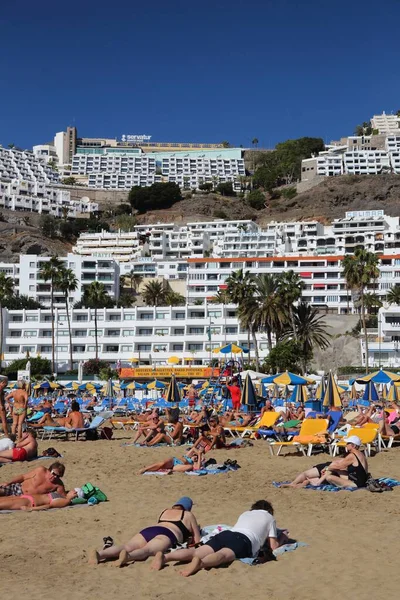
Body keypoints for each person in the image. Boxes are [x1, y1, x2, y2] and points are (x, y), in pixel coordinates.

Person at [151, 499, 288, 576]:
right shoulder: (270, 518)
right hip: (244, 540)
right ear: (269, 511)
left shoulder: (245, 513)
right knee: (223, 555)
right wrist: (283, 538)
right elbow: (273, 546)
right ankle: (201, 563)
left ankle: (165, 557)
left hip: (227, 533)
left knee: (196, 552)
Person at [88, 497, 201, 567]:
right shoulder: (188, 514)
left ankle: (100, 554)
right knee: (146, 550)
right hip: (167, 534)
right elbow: (197, 539)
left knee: (127, 546)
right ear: (188, 508)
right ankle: (128, 557)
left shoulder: (164, 511)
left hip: (149, 530)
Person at [282, 435, 369, 488]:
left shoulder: (352, 455)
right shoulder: (359, 454)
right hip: (359, 479)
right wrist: (331, 465)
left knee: (329, 477)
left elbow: (340, 466)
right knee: (334, 465)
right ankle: (316, 482)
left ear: (353, 445)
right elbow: (342, 463)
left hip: (356, 483)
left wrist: (327, 468)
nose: (346, 445)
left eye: (348, 443)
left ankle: (316, 483)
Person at [0, 461, 66, 497]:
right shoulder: (41, 470)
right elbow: (23, 477)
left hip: (25, 499)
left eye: (58, 476)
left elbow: (64, 497)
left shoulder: (58, 485)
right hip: (18, 488)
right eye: (53, 474)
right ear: (50, 470)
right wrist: (8, 483)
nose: (55, 477)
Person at [0, 489, 77, 511]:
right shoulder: (63, 495)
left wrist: (30, 509)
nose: (73, 490)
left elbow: (48, 506)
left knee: (2, 505)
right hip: (26, 497)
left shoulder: (65, 501)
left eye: (75, 492)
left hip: (29, 502)